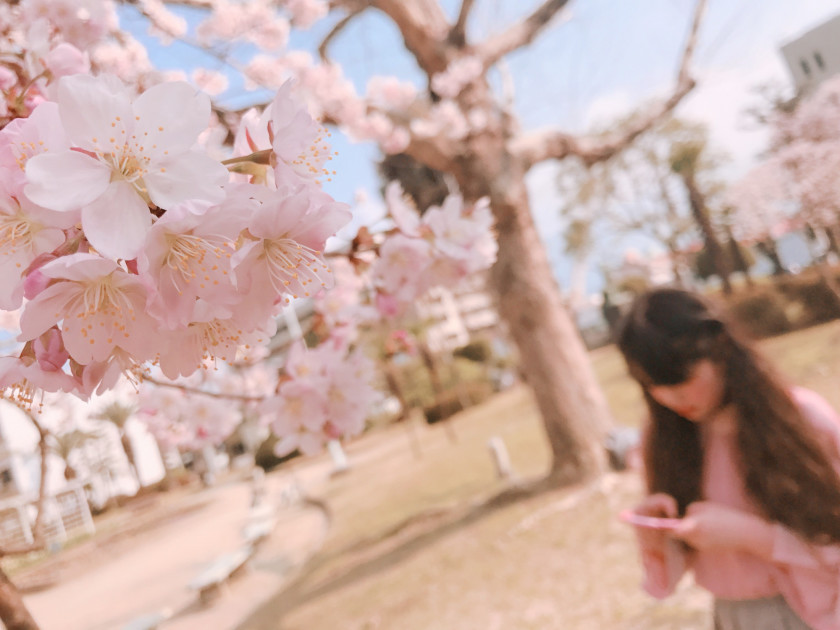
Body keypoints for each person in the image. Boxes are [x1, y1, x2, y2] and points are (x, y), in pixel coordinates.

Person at [616, 287, 840, 630]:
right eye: (652, 386)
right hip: (730, 617)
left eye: (683, 378)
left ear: (720, 348)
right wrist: (656, 538)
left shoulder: (801, 420)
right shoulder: (665, 438)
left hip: (815, 613)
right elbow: (667, 583)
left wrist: (753, 536)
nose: (670, 397)